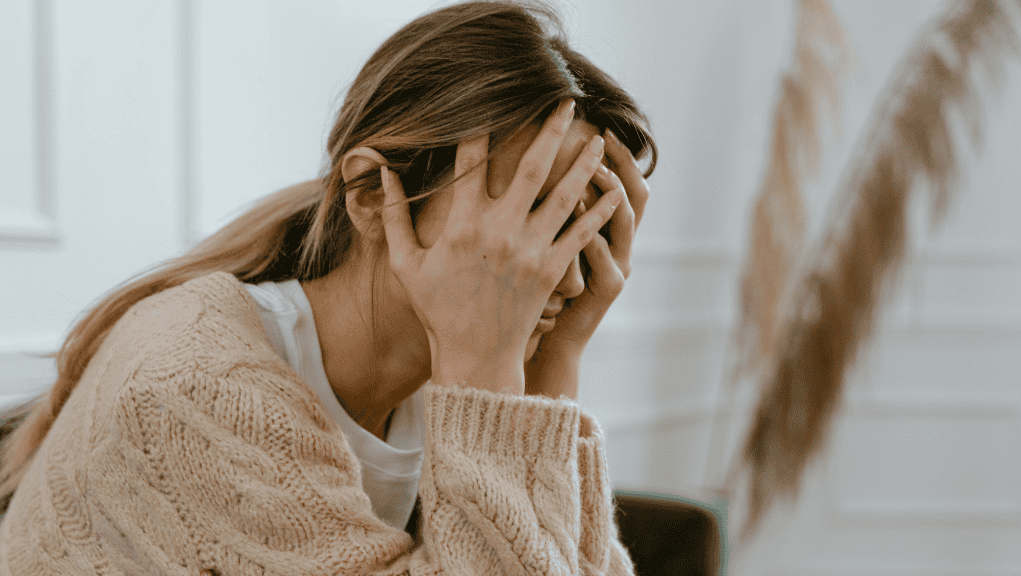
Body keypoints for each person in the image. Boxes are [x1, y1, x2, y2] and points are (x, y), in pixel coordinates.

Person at [0, 1, 657, 573]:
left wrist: (554, 361)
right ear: (372, 195)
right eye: (526, 219)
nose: (563, 273)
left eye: (583, 231)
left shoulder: (453, 368)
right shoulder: (197, 387)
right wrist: (499, 374)